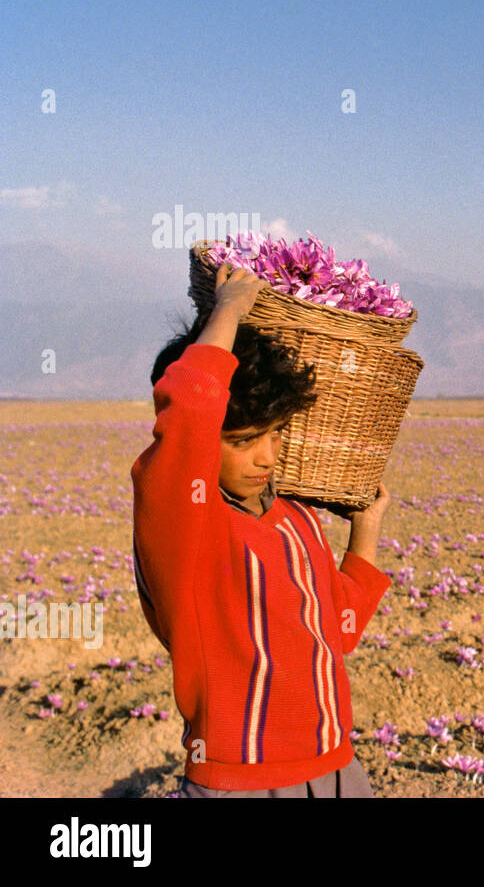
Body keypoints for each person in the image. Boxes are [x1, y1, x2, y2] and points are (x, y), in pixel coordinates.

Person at [132, 262, 392, 797]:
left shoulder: (295, 519)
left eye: (274, 435)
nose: (265, 458)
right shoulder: (186, 521)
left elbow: (337, 631)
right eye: (242, 440)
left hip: (335, 769)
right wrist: (228, 310)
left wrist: (365, 534)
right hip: (240, 779)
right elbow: (188, 412)